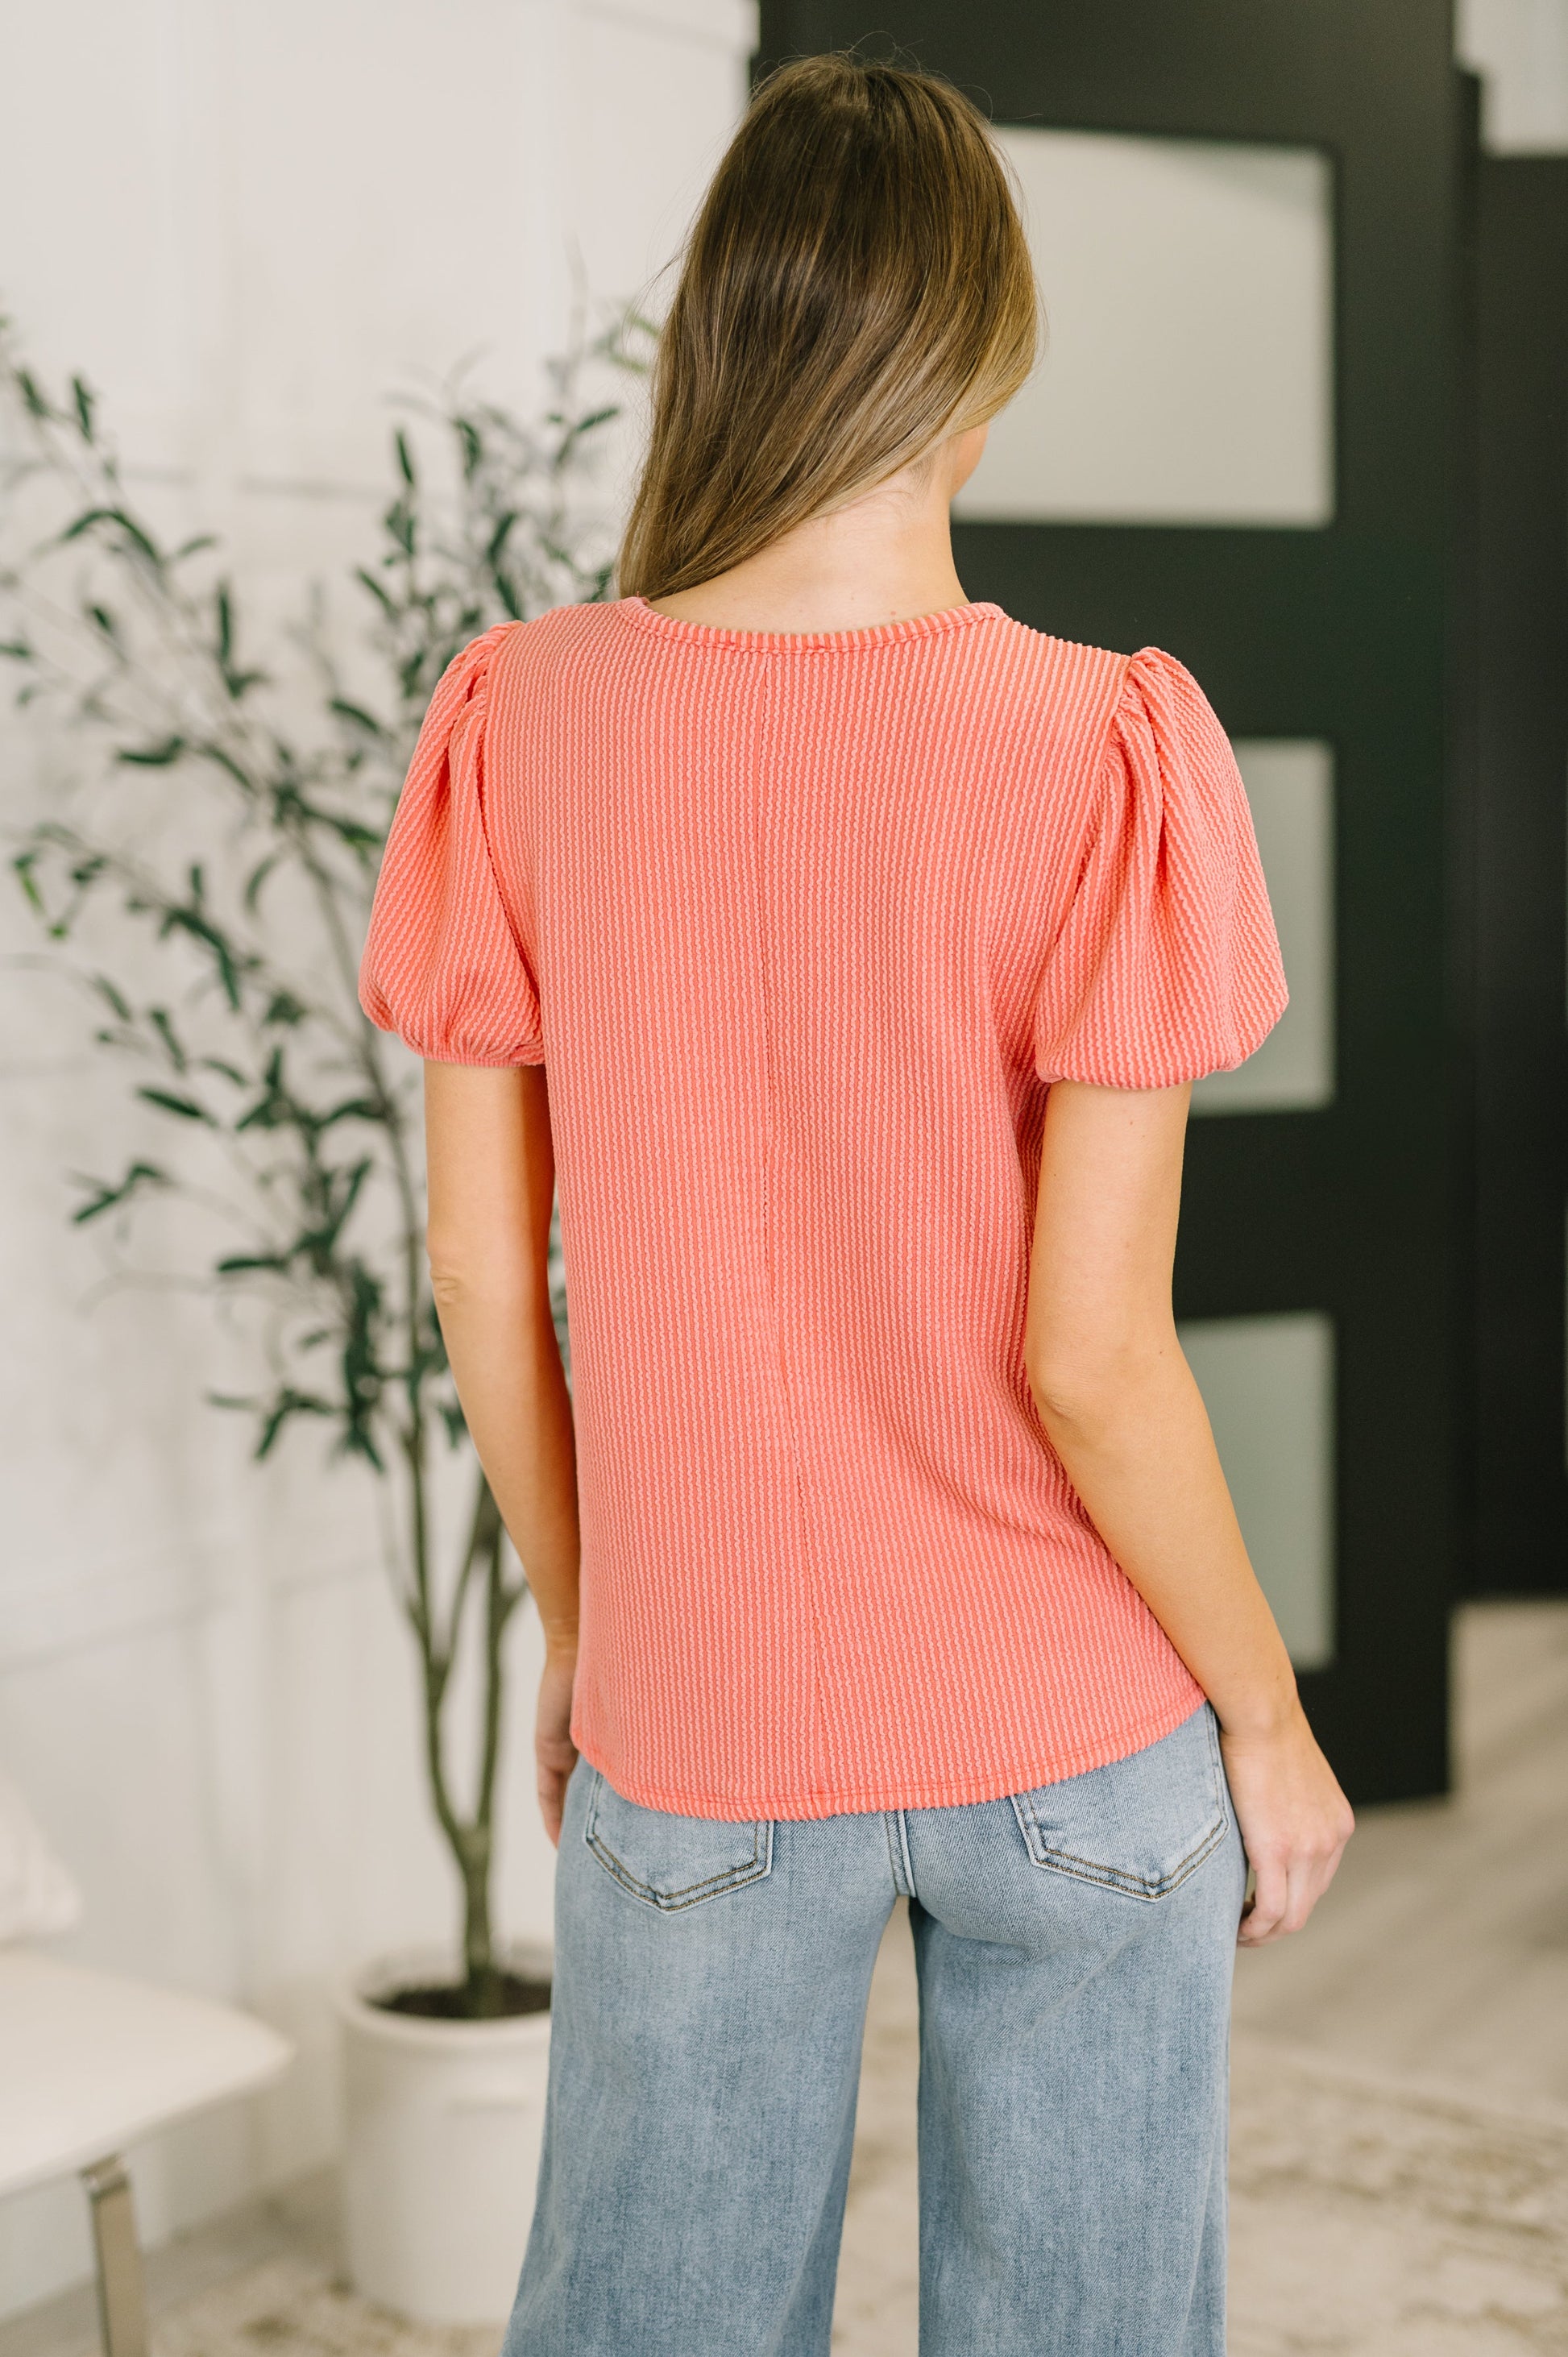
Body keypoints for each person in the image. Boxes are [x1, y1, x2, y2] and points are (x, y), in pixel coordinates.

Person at [359, 51, 1354, 2357]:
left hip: (705, 1717)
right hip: (1073, 1720)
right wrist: (1263, 1715)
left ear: (722, 341)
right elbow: (1091, 1358)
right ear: (981, 369)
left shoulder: (522, 717)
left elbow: (478, 1272)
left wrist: (593, 1622)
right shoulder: (1112, 743)